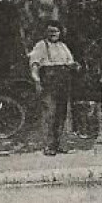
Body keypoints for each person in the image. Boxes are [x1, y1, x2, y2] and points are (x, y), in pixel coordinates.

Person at [28, 23, 79, 156]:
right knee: (50, 112)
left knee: (62, 113)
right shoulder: (41, 45)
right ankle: (49, 146)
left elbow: (69, 61)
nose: (53, 34)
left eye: (56, 31)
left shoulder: (63, 46)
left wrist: (74, 66)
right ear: (46, 32)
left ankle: (59, 144)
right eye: (50, 31)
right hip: (49, 80)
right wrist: (37, 80)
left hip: (63, 80)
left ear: (60, 33)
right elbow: (34, 64)